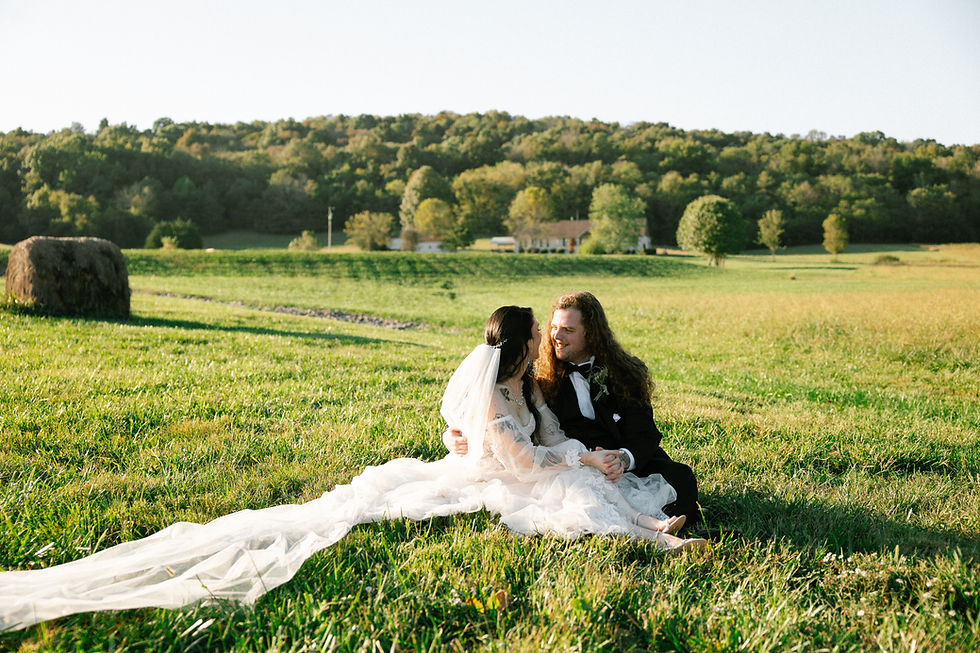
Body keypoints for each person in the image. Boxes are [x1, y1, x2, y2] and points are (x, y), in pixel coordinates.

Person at [0, 305, 703, 632]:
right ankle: (656, 533)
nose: (547, 347)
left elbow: (544, 433)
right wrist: (566, 455)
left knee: (576, 474)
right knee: (567, 484)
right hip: (502, 473)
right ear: (519, 350)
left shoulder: (528, 387)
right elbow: (520, 454)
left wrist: (577, 450)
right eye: (538, 340)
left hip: (521, 463)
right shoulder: (498, 392)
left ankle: (652, 519)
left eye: (559, 334)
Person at [446, 292, 701, 528]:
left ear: (591, 334)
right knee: (582, 491)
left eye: (568, 330)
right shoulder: (536, 376)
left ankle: (660, 519)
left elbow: (645, 433)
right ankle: (643, 524)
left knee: (681, 479)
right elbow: (491, 417)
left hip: (620, 456)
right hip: (573, 462)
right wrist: (457, 436)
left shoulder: (626, 373)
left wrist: (621, 459)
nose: (556, 336)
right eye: (553, 328)